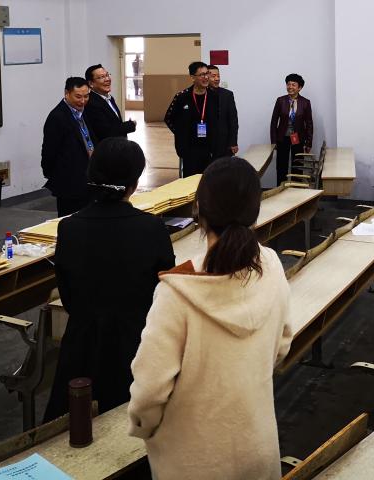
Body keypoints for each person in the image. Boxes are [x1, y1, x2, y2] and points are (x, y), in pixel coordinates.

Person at [128, 157, 292, 480]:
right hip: (258, 450)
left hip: (192, 463)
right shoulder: (271, 266)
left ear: (198, 210)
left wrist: (144, 428)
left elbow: (148, 392)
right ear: (255, 211)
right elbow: (283, 345)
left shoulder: (177, 292)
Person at [45, 138, 175, 422]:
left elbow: (68, 296)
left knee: (75, 430)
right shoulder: (151, 228)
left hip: (82, 350)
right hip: (137, 348)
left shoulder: (69, 228)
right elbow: (164, 293)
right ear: (135, 182)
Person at [164, 61, 234, 177]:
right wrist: (181, 134)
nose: (206, 77)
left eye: (207, 74)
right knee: (191, 182)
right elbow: (169, 118)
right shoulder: (182, 97)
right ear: (192, 77)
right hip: (189, 149)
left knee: (209, 181)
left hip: (209, 149)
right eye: (202, 75)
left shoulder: (214, 97)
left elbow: (218, 121)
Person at [41, 77, 95, 216]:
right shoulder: (57, 117)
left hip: (87, 177)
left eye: (86, 96)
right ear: (67, 93)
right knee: (70, 219)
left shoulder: (84, 111)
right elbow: (49, 152)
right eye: (78, 96)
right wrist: (53, 175)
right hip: (69, 181)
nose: (82, 101)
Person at [270, 73, 314, 184]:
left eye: (293, 85)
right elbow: (274, 121)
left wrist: (309, 143)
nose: (290, 87)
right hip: (282, 138)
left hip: (298, 138)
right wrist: (273, 141)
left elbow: (309, 124)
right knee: (281, 166)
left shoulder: (305, 102)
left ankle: (296, 189)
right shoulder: (280, 101)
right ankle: (281, 188)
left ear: (299, 88)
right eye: (288, 84)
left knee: (297, 165)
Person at [84, 64, 136, 141]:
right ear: (91, 84)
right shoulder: (91, 103)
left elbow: (115, 124)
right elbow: (105, 132)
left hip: (118, 144)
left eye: (107, 75)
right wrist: (130, 125)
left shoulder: (110, 98)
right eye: (102, 77)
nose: (107, 79)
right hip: (107, 147)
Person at [206, 65, 239, 157]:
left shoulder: (227, 95)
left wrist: (233, 142)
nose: (217, 79)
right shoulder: (201, 95)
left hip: (224, 144)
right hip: (205, 144)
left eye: (218, 76)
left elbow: (233, 120)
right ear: (206, 77)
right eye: (213, 76)